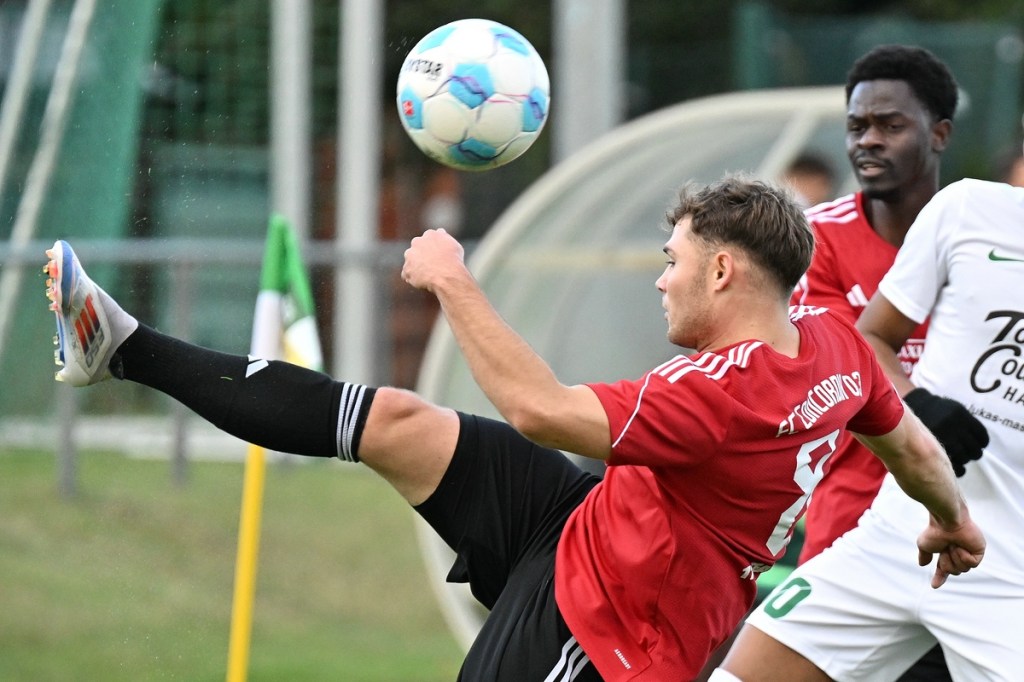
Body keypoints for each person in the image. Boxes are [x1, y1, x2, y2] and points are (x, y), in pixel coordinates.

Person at [43, 176, 984, 681]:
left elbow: (540, 410)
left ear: (724, 272)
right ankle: (123, 348)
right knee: (397, 420)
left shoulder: (719, 395)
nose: (660, 279)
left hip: (615, 624)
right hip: (591, 521)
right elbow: (909, 442)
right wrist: (952, 520)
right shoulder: (830, 341)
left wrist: (452, 278)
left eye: (672, 260)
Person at [698, 44, 972, 682]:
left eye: (890, 125)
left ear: (939, 133)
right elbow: (846, 359)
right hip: (851, 537)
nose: (868, 140)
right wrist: (920, 404)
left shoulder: (980, 240)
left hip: (972, 540)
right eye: (857, 126)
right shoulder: (812, 241)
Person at [714, 177, 1023, 681]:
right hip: (893, 536)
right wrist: (918, 403)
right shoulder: (968, 207)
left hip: (1010, 577)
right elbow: (872, 338)